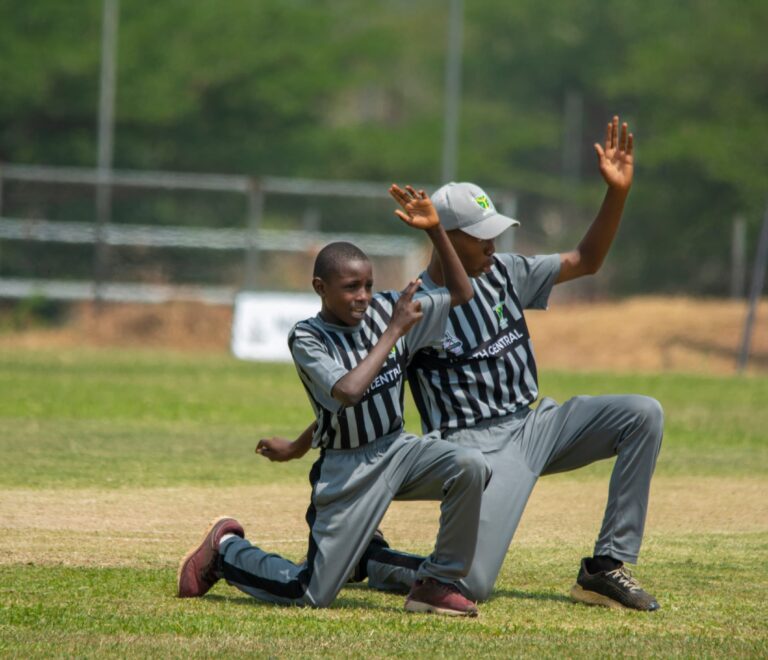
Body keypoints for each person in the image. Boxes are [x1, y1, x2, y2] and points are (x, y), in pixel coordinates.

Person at [257, 117, 664, 612]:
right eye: (480, 236)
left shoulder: (506, 272)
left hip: (537, 423)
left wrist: (616, 194)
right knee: (472, 584)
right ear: (444, 236)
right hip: (479, 447)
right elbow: (364, 387)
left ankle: (605, 567)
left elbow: (587, 259)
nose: (493, 244)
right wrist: (304, 446)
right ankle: (374, 559)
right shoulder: (412, 308)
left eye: (495, 232)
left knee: (642, 413)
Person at [177, 184, 491, 617]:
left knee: (470, 466)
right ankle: (226, 549)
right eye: (350, 287)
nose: (363, 297)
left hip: (398, 450)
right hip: (348, 472)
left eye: (368, 285)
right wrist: (395, 332)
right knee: (310, 594)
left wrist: (436, 232)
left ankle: (435, 583)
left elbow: (462, 292)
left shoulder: (386, 309)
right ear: (320, 287)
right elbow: (345, 392)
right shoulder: (308, 337)